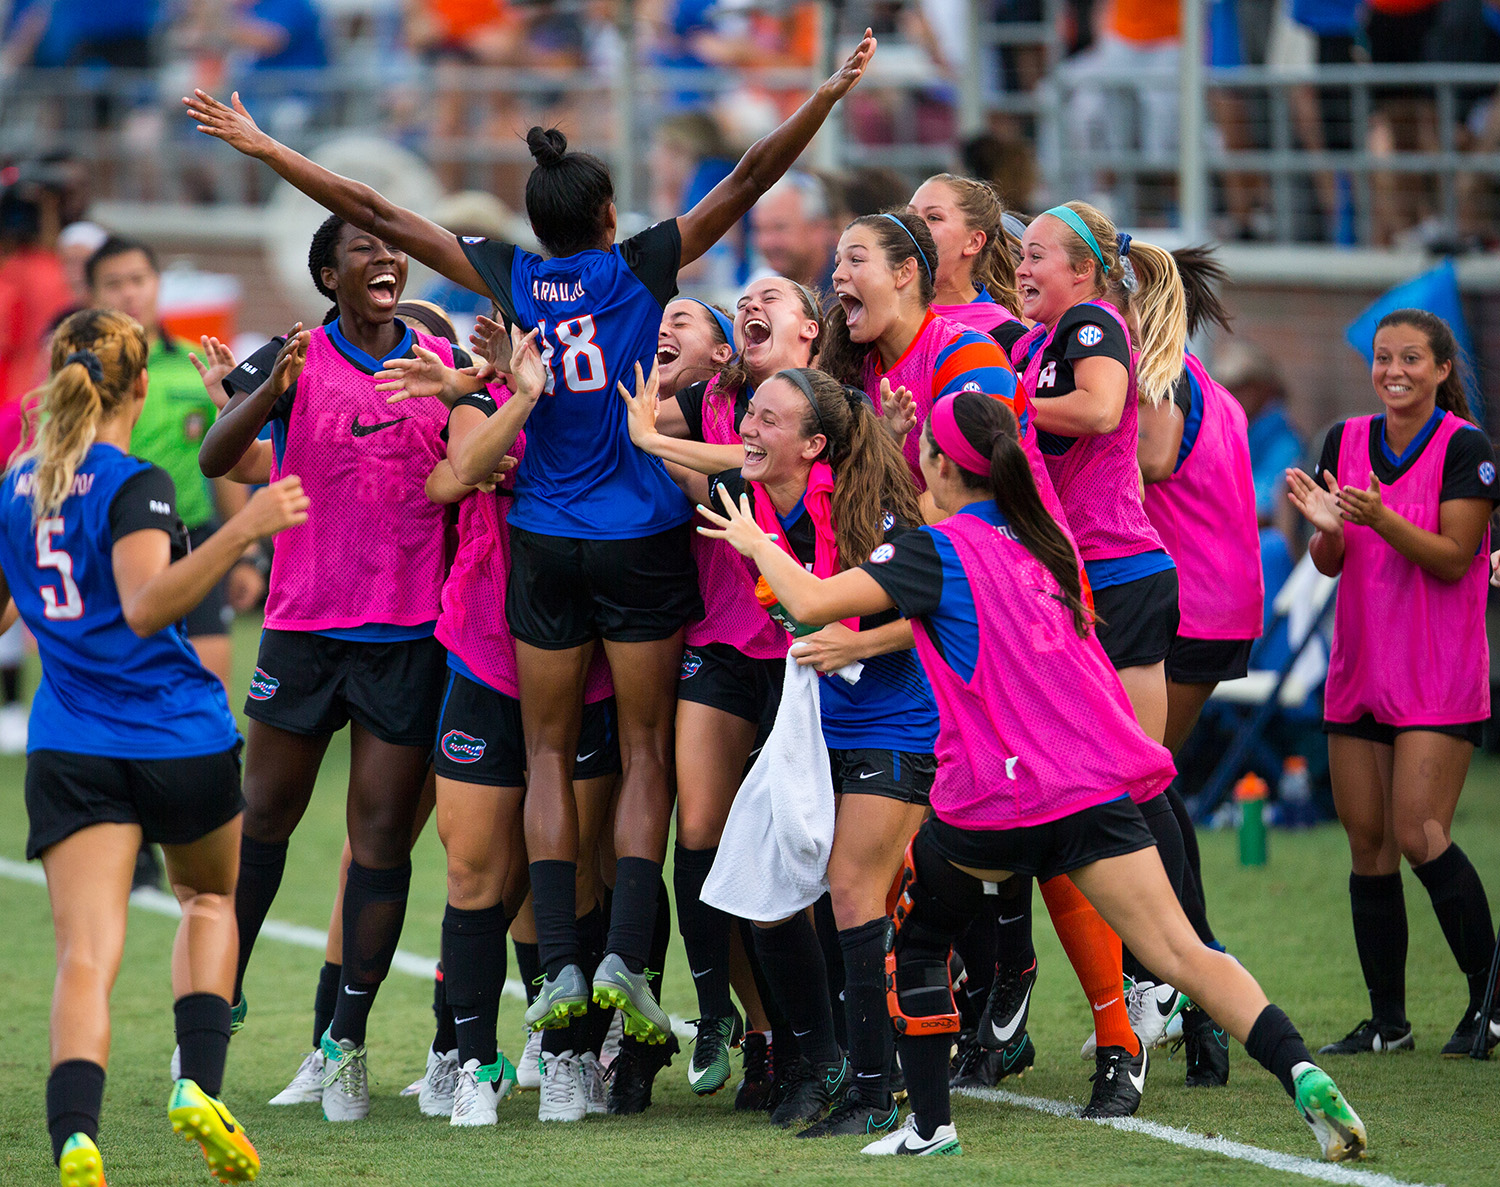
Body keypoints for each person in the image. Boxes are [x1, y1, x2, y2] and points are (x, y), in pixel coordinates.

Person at [184, 27, 879, 1049]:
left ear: (540, 224)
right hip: (641, 533)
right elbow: (747, 175)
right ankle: (622, 956)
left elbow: (374, 210)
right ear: (607, 216)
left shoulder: (510, 275)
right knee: (644, 751)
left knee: (546, 751)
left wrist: (263, 148)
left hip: (541, 540)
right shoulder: (643, 267)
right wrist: (822, 96)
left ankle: (555, 961)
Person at [700, 390, 1369, 1164]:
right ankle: (1301, 1070)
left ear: (943, 464)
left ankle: (929, 1126)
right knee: (1187, 954)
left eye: (925, 448)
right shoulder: (1042, 535)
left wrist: (754, 538)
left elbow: (813, 600)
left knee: (916, 942)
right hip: (1092, 786)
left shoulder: (936, 549)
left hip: (999, 799)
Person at [0, 309, 309, 1185]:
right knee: (208, 899)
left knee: (84, 955)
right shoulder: (135, 483)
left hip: (69, 742)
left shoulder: (18, 484)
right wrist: (246, 530)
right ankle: (199, 1088)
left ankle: (74, 1139)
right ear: (139, 386)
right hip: (174, 736)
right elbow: (146, 604)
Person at [622, 363, 936, 1137]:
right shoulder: (761, 495)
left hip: (892, 718)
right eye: (748, 416)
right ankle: (820, 1059)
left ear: (815, 444)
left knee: (854, 895)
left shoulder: (871, 510)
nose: (747, 431)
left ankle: (874, 1088)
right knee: (768, 893)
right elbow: (723, 462)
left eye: (766, 421)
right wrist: (648, 435)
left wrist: (844, 632)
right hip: (814, 718)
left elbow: (936, 612)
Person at [197, 215, 459, 1122]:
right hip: (303, 627)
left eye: (390, 250)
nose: (384, 257)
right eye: (362, 250)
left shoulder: (439, 357)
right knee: (261, 817)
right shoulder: (296, 357)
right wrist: (269, 382)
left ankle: (341, 1043)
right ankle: (216, 994)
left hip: (408, 634)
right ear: (326, 275)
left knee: (381, 840)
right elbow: (215, 457)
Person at [1288, 308, 1500, 1058]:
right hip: (1363, 664)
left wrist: (1376, 517)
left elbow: (1452, 557)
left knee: (1420, 833)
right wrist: (1331, 529)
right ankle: (1389, 1021)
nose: (1394, 371)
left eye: (1412, 358)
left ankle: (1490, 999)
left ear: (1443, 369)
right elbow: (1329, 562)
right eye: (1383, 358)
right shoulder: (1342, 440)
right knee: (1368, 842)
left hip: (1436, 671)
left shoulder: (1466, 448)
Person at [644, 276, 823, 1100]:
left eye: (774, 296)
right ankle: (733, 1019)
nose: (755, 303)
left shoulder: (825, 405)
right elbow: (643, 427)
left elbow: (743, 464)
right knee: (705, 832)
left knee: (794, 848)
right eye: (745, 297)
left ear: (810, 330)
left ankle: (813, 1036)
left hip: (801, 650)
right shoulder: (713, 395)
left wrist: (666, 448)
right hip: (718, 641)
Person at [87, 236, 257, 690]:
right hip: (107, 546)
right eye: (114, 284)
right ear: (92, 295)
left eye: (138, 280)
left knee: (209, 690)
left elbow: (226, 464)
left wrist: (245, 554)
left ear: (158, 284)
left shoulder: (198, 365)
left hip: (191, 540)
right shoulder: (79, 376)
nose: (129, 294)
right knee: (119, 690)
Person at [908, 173, 1026, 351]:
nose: (912, 225)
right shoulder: (882, 317)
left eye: (933, 217)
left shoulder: (1006, 336)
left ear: (973, 242)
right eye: (909, 215)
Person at [749, 171, 840, 292]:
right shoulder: (758, 290)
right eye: (759, 229)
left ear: (818, 227)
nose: (766, 242)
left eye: (780, 227)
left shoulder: (849, 292)